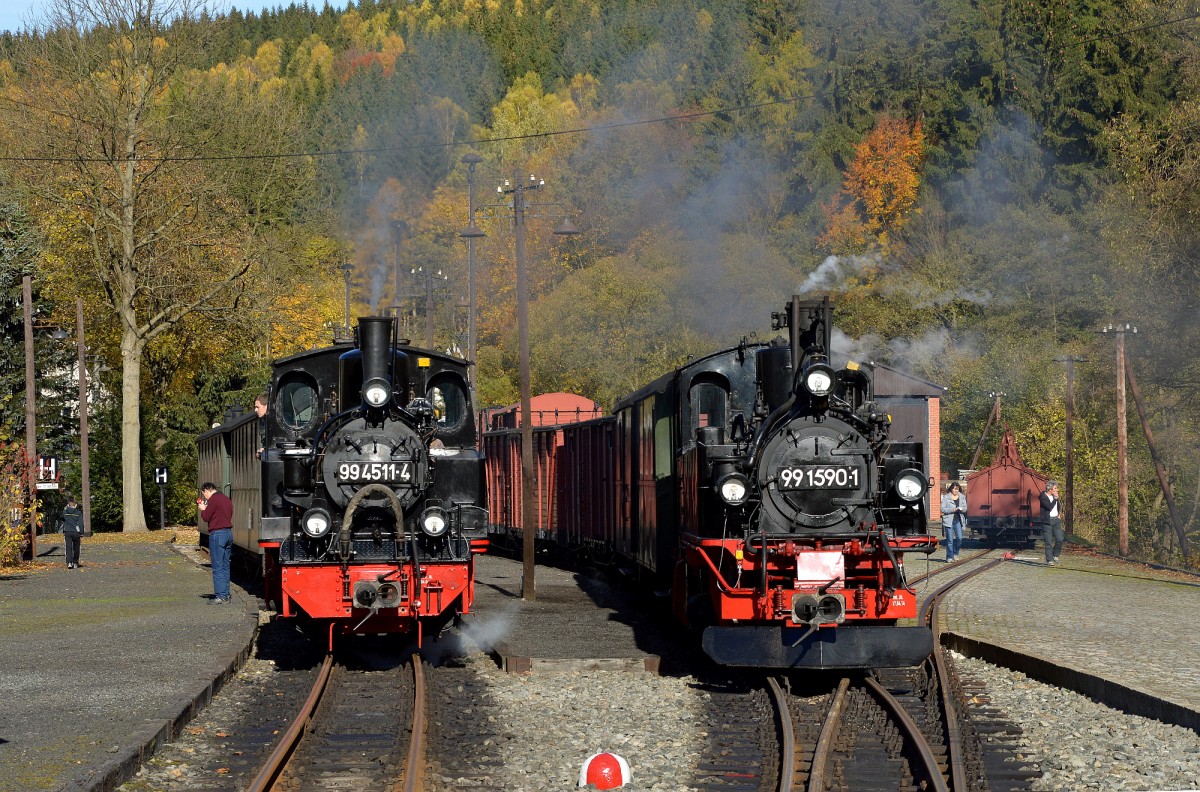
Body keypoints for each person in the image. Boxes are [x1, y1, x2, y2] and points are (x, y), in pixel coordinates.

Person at [198, 483, 234, 603]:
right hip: (228, 533)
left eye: (204, 494)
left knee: (217, 566)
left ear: (207, 490)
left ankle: (220, 595)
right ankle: (226, 593)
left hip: (217, 534)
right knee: (225, 565)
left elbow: (206, 517)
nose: (205, 497)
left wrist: (203, 509)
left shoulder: (214, 499)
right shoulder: (226, 499)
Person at [940, 481, 967, 562]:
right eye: (954, 489)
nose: (956, 491)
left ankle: (955, 553)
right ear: (951, 489)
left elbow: (965, 508)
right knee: (950, 540)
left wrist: (961, 509)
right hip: (949, 520)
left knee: (959, 538)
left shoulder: (962, 497)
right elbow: (942, 509)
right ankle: (949, 557)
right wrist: (952, 510)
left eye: (957, 489)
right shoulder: (946, 497)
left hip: (958, 520)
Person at [1040, 480, 1064, 566]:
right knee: (1048, 541)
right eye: (1055, 488)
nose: (1057, 490)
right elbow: (1049, 507)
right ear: (1050, 489)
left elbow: (1057, 506)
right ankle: (1049, 560)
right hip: (1047, 521)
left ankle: (1055, 555)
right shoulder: (1043, 497)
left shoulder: (1055, 497)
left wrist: (1059, 513)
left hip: (1056, 520)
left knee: (1060, 539)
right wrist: (1055, 499)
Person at [61, 495, 84, 569]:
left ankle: (69, 562)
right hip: (76, 532)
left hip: (67, 531)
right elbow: (81, 523)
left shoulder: (65, 512)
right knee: (76, 547)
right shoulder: (78, 513)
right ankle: (75, 562)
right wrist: (81, 532)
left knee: (68, 547)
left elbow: (61, 518)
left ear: (68, 505)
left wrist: (66, 509)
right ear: (76, 505)